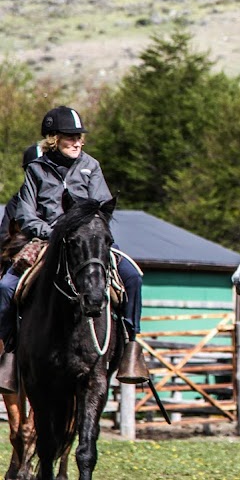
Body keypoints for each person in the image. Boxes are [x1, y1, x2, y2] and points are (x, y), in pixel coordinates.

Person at [0, 107, 149, 392]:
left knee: (132, 277)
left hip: (88, 240)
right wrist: (53, 233)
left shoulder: (91, 166)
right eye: (71, 137)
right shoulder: (36, 170)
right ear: (53, 138)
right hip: (47, 241)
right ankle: (11, 352)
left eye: (79, 137)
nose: (77, 142)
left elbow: (103, 208)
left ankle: (131, 346)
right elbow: (25, 215)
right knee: (7, 287)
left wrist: (86, 230)